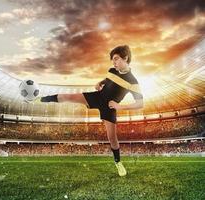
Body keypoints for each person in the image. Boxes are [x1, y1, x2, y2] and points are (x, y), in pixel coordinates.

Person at [40, 45, 144, 176]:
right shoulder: (112, 70)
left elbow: (140, 103)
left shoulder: (133, 81)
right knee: (69, 96)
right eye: (113, 60)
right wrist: (100, 83)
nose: (114, 62)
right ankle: (41, 99)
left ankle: (118, 162)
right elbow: (108, 80)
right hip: (97, 97)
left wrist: (120, 107)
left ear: (126, 58)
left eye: (116, 59)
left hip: (109, 107)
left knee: (112, 139)